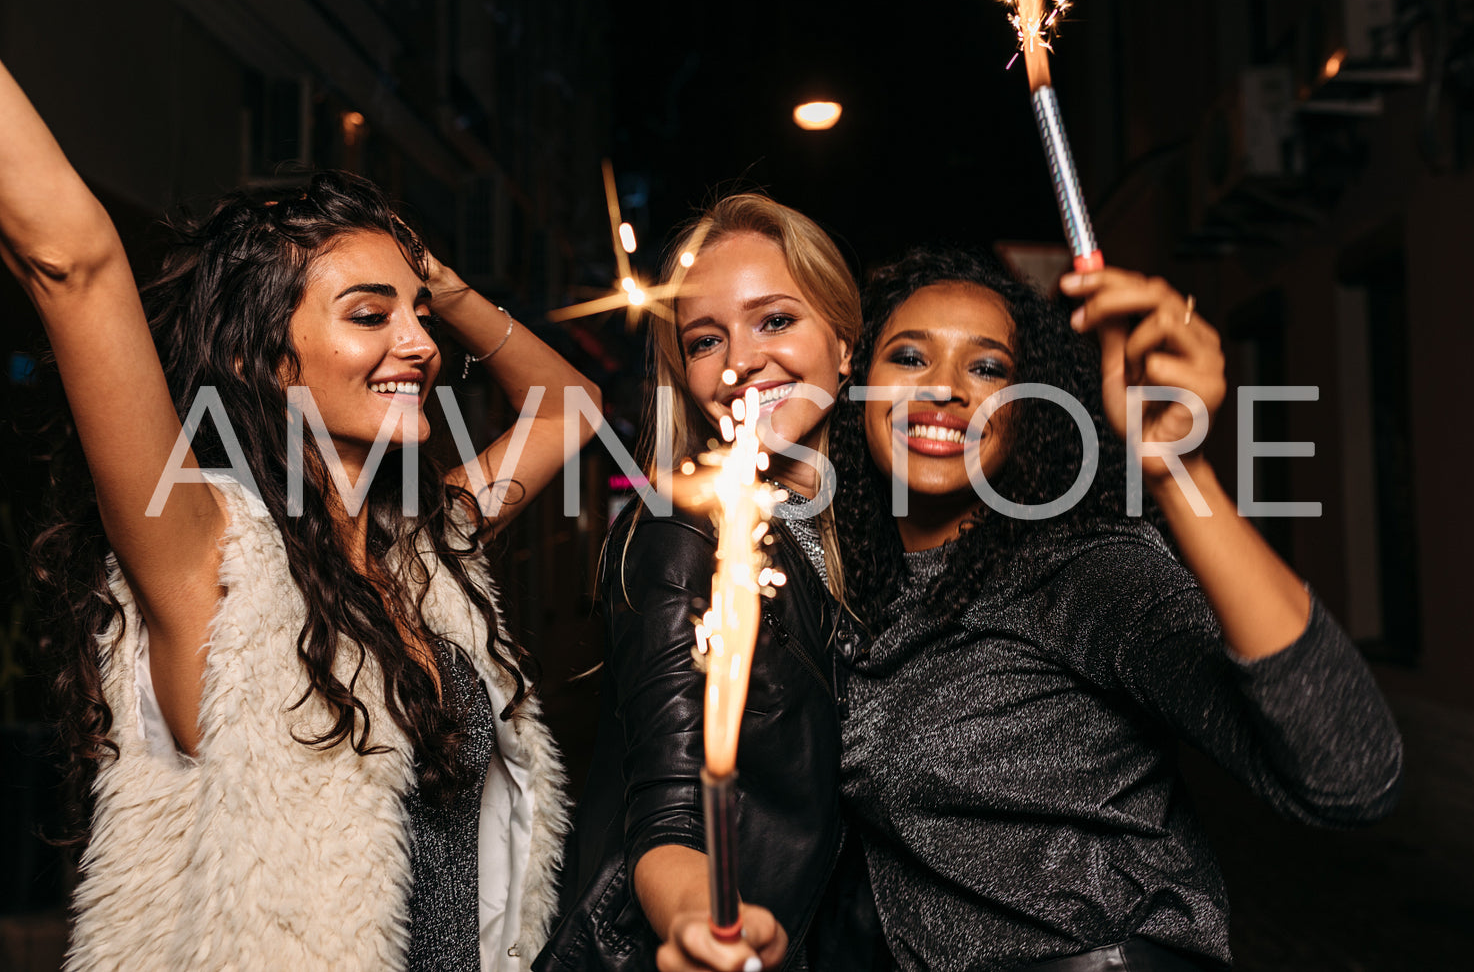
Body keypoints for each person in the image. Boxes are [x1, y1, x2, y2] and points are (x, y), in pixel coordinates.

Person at [0, 57, 598, 970]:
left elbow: (570, 406)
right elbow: (71, 259)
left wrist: (422, 269)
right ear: (268, 361)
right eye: (370, 314)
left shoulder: (426, 549)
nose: (421, 344)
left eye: (421, 315)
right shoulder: (208, 552)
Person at [829, 246, 1403, 972]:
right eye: (908, 356)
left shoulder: (1079, 568)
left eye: (987, 367)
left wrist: (1178, 470)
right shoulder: (854, 593)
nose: (944, 388)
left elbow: (1350, 770)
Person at [536, 194, 884, 972]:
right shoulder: (680, 536)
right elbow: (667, 813)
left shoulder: (865, 545)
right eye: (704, 339)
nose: (739, 362)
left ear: (844, 342)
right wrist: (703, 920)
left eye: (774, 320)